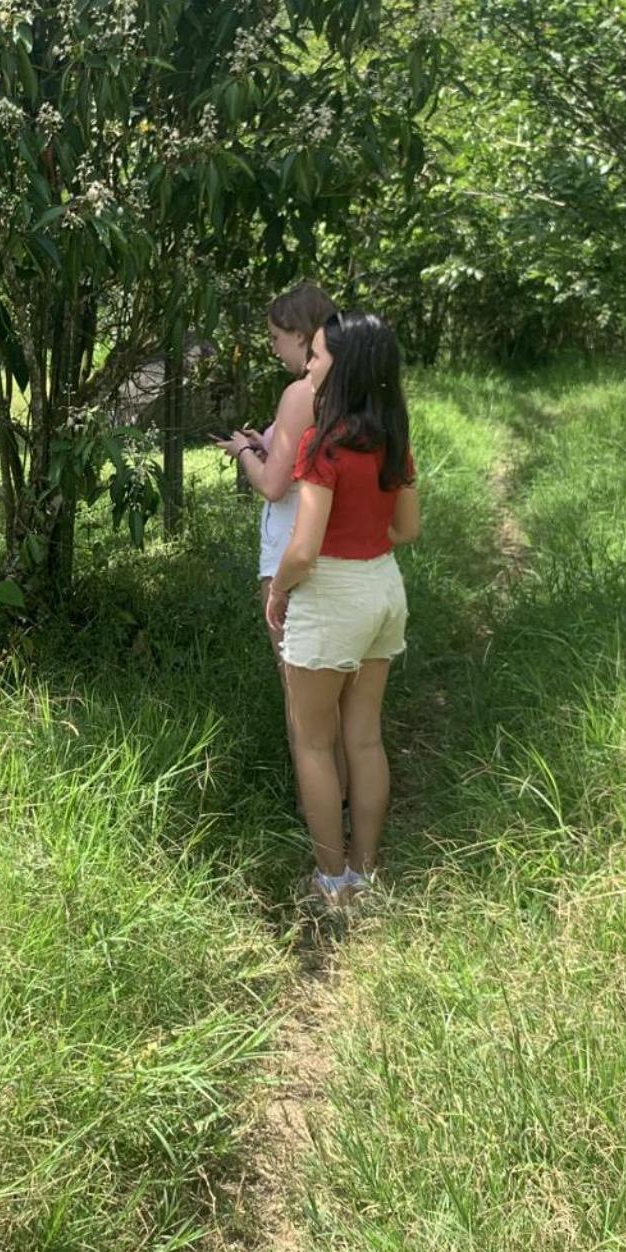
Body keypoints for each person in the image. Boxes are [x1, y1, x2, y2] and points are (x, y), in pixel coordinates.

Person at [264, 312, 419, 909]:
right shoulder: (393, 441)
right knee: (365, 740)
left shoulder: (322, 443)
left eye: (320, 356)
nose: (310, 365)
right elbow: (407, 529)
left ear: (345, 367)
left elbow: (302, 549)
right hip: (383, 589)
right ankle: (367, 872)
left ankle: (331, 882)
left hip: (331, 595)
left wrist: (278, 590)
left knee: (312, 742)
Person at [211, 281, 341, 824]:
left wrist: (245, 451)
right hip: (339, 551)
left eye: (276, 337)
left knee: (299, 694)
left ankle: (315, 815)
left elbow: (273, 485)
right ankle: (343, 802)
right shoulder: (348, 391)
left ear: (301, 334)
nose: (273, 348)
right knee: (336, 699)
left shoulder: (298, 395)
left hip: (291, 550)